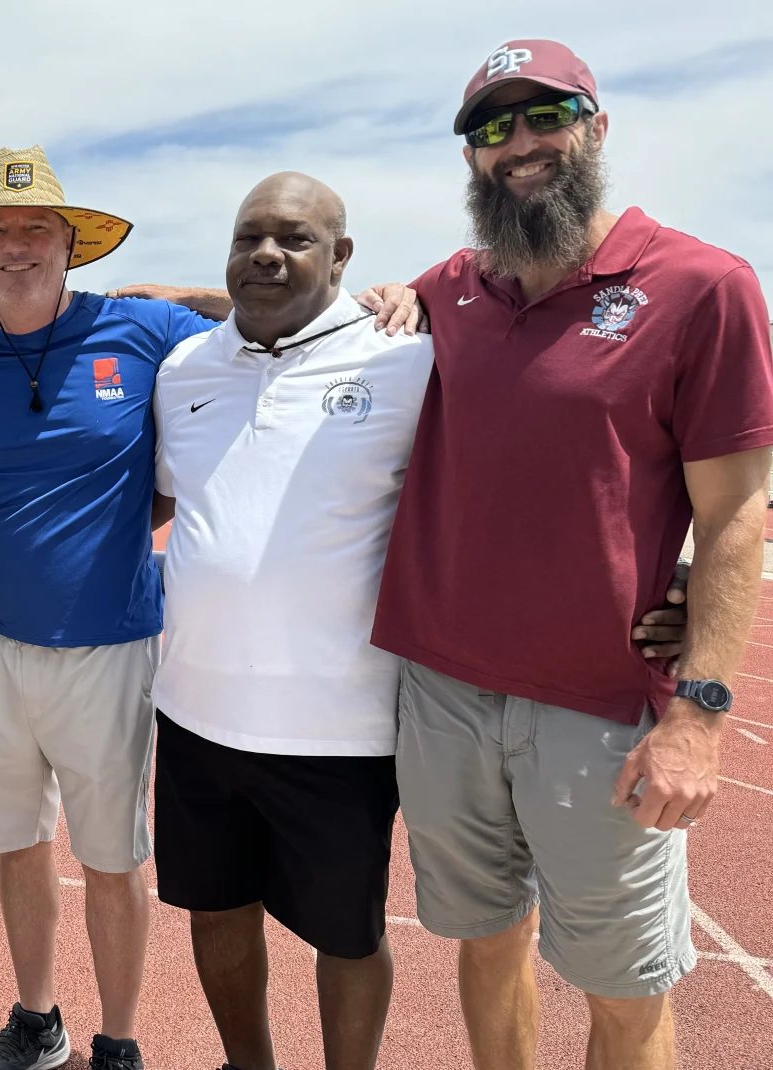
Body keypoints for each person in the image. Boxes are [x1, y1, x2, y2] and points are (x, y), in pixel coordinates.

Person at [364, 40, 773, 1070]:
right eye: (491, 127)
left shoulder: (704, 285)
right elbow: (322, 305)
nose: (519, 143)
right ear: (471, 156)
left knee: (625, 988)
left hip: (600, 710)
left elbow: (736, 513)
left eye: (545, 115)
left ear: (596, 126)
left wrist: (701, 714)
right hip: (444, 695)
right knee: (487, 939)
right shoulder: (453, 286)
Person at [0, 146, 234, 1070]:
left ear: (70, 244)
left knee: (113, 859)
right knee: (17, 847)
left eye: (36, 228)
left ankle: (118, 1042)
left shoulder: (141, 328)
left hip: (112, 647)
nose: (17, 246)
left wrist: (178, 289)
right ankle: (36, 1021)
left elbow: (264, 315)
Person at [148, 173, 432, 1070]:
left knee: (349, 935)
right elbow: (168, 499)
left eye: (295, 238)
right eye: (249, 237)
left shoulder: (407, 360)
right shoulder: (183, 371)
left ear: (341, 256)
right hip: (193, 713)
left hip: (340, 728)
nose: (266, 254)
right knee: (214, 911)